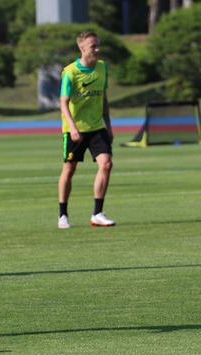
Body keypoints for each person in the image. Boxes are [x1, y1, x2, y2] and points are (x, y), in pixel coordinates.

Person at [57, 31, 115, 229]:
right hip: (75, 130)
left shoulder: (102, 68)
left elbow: (104, 99)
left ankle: (97, 213)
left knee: (106, 164)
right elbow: (63, 103)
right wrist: (72, 128)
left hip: (97, 127)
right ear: (82, 48)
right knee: (69, 170)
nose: (97, 49)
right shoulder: (70, 72)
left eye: (98, 45)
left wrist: (109, 125)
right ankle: (63, 214)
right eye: (93, 46)